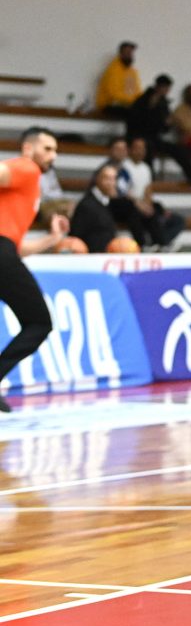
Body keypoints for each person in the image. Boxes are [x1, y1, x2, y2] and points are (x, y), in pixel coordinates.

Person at [0, 127, 62, 413]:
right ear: (28, 148)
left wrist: (52, 239)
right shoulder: (27, 168)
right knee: (39, 322)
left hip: (5, 251)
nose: (53, 155)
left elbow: (16, 247)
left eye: (55, 150)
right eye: (47, 149)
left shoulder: (30, 188)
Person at [127, 74, 191, 187]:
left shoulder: (163, 102)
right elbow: (135, 121)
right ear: (158, 87)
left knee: (178, 149)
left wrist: (168, 123)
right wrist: (150, 109)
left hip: (154, 137)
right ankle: (150, 178)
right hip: (138, 136)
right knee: (147, 147)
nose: (166, 91)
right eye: (165, 88)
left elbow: (163, 127)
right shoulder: (142, 100)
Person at [122, 136, 185, 250]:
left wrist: (148, 205)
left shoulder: (146, 168)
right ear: (130, 149)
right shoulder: (124, 166)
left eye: (143, 149)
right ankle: (143, 245)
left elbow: (148, 189)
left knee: (175, 219)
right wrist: (140, 205)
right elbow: (123, 191)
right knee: (135, 213)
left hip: (143, 203)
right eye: (137, 148)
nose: (140, 151)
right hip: (129, 204)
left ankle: (161, 243)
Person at [69, 163, 122, 254]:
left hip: (106, 256)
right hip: (91, 258)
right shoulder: (87, 205)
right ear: (97, 179)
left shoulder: (109, 202)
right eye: (107, 178)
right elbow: (75, 237)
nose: (112, 183)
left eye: (114, 179)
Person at [95, 41, 141, 115]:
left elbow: (136, 91)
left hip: (125, 104)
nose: (130, 55)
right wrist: (133, 101)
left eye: (131, 53)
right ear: (120, 54)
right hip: (108, 105)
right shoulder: (113, 70)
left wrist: (142, 101)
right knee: (136, 114)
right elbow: (114, 94)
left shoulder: (132, 72)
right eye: (127, 52)